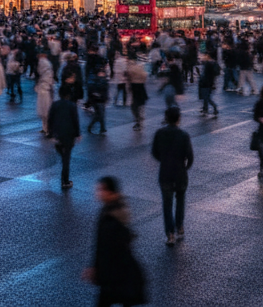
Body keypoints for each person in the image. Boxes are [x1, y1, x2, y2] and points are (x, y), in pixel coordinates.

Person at [84, 176, 146, 307]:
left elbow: (105, 247)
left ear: (111, 192)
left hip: (114, 274)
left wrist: (97, 269)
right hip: (118, 274)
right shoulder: (111, 209)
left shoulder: (112, 218)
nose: (98, 193)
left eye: (102, 190)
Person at [151, 106, 194, 246]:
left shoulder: (159, 133)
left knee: (167, 205)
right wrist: (185, 167)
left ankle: (170, 234)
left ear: (166, 118)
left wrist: (164, 160)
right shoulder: (184, 135)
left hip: (165, 173)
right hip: (180, 174)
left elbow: (154, 152)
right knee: (180, 200)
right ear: (179, 118)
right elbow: (190, 157)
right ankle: (179, 225)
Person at [49, 84, 81, 190]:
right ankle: (65, 181)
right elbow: (75, 121)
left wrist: (51, 133)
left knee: (63, 155)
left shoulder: (55, 105)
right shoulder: (72, 105)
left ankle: (64, 173)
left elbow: (50, 119)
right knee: (67, 158)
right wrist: (78, 134)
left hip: (58, 134)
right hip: (69, 134)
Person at [198, 52, 220, 116]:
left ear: (207, 56)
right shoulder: (212, 63)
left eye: (203, 56)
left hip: (206, 82)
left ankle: (214, 107)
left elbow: (206, 74)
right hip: (209, 82)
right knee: (206, 96)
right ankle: (205, 109)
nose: (202, 57)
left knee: (206, 97)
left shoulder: (209, 64)